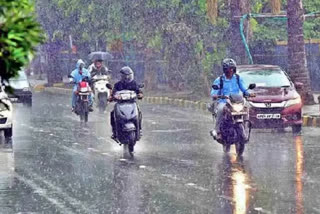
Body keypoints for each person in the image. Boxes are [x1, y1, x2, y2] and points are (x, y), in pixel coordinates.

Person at [211, 58, 251, 140]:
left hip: (237, 101)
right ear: (225, 70)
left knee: (246, 107)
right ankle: (217, 131)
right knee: (220, 110)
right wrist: (215, 95)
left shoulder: (237, 78)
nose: (231, 71)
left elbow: (244, 89)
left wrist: (249, 93)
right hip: (224, 101)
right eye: (229, 69)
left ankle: (245, 127)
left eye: (232, 68)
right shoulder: (219, 80)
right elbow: (214, 92)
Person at [110, 66, 143, 139]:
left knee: (139, 113)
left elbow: (139, 92)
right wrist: (111, 97)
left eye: (128, 76)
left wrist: (140, 94)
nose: (127, 78)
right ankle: (114, 131)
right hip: (120, 104)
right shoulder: (117, 85)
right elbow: (113, 93)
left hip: (132, 103)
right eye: (125, 76)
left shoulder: (134, 84)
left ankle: (139, 129)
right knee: (112, 114)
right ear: (121, 76)